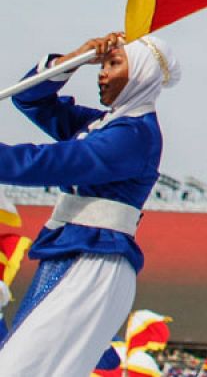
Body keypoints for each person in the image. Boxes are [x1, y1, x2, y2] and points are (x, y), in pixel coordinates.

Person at [0, 33, 176, 376]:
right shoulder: (105, 125)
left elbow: (47, 163)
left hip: (93, 264)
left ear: (142, 72)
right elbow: (29, 99)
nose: (102, 72)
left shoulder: (133, 136)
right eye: (103, 64)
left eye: (114, 63)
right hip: (75, 256)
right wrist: (73, 59)